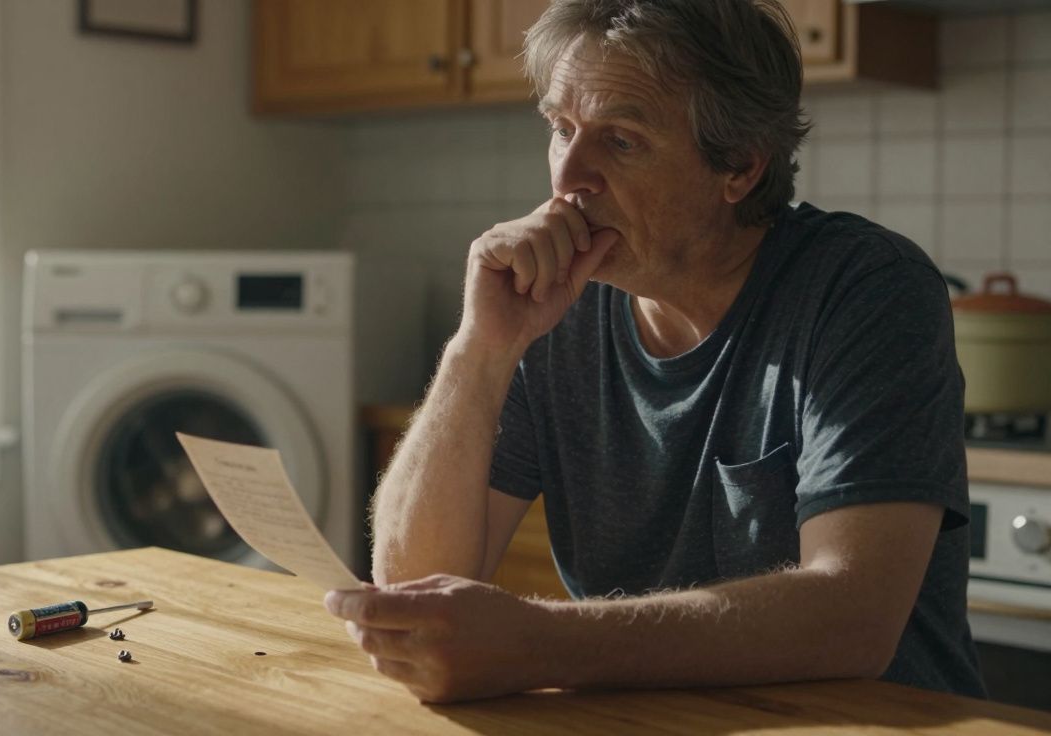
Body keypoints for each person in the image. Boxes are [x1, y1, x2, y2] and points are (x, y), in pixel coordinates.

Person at [323, 0, 986, 705]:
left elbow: (851, 618)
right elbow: (410, 592)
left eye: (621, 141)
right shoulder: (557, 304)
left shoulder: (865, 289)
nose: (568, 176)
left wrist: (540, 642)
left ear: (738, 167)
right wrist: (479, 349)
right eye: (561, 130)